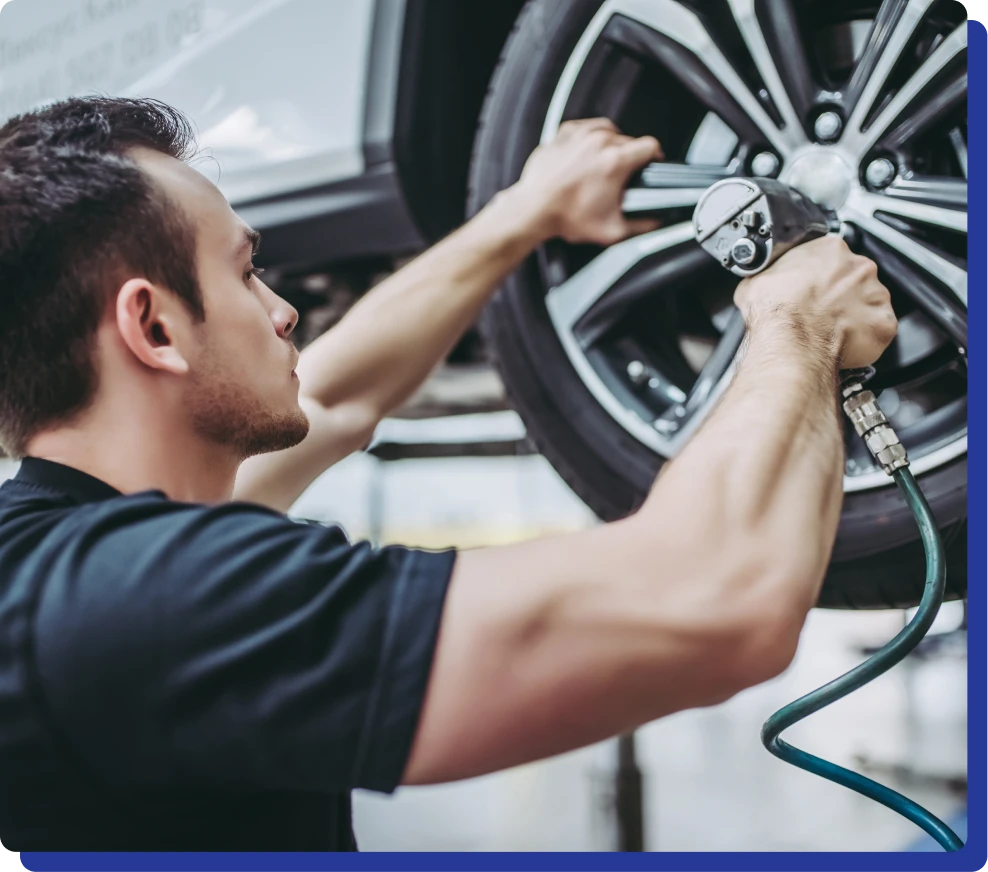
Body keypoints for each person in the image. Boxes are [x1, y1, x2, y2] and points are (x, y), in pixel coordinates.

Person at [0, 97, 896, 850]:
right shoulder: (127, 604)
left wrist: (526, 209)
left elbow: (340, 396)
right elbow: (713, 599)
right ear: (153, 330)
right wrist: (796, 321)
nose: (283, 312)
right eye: (246, 273)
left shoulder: (57, 557)